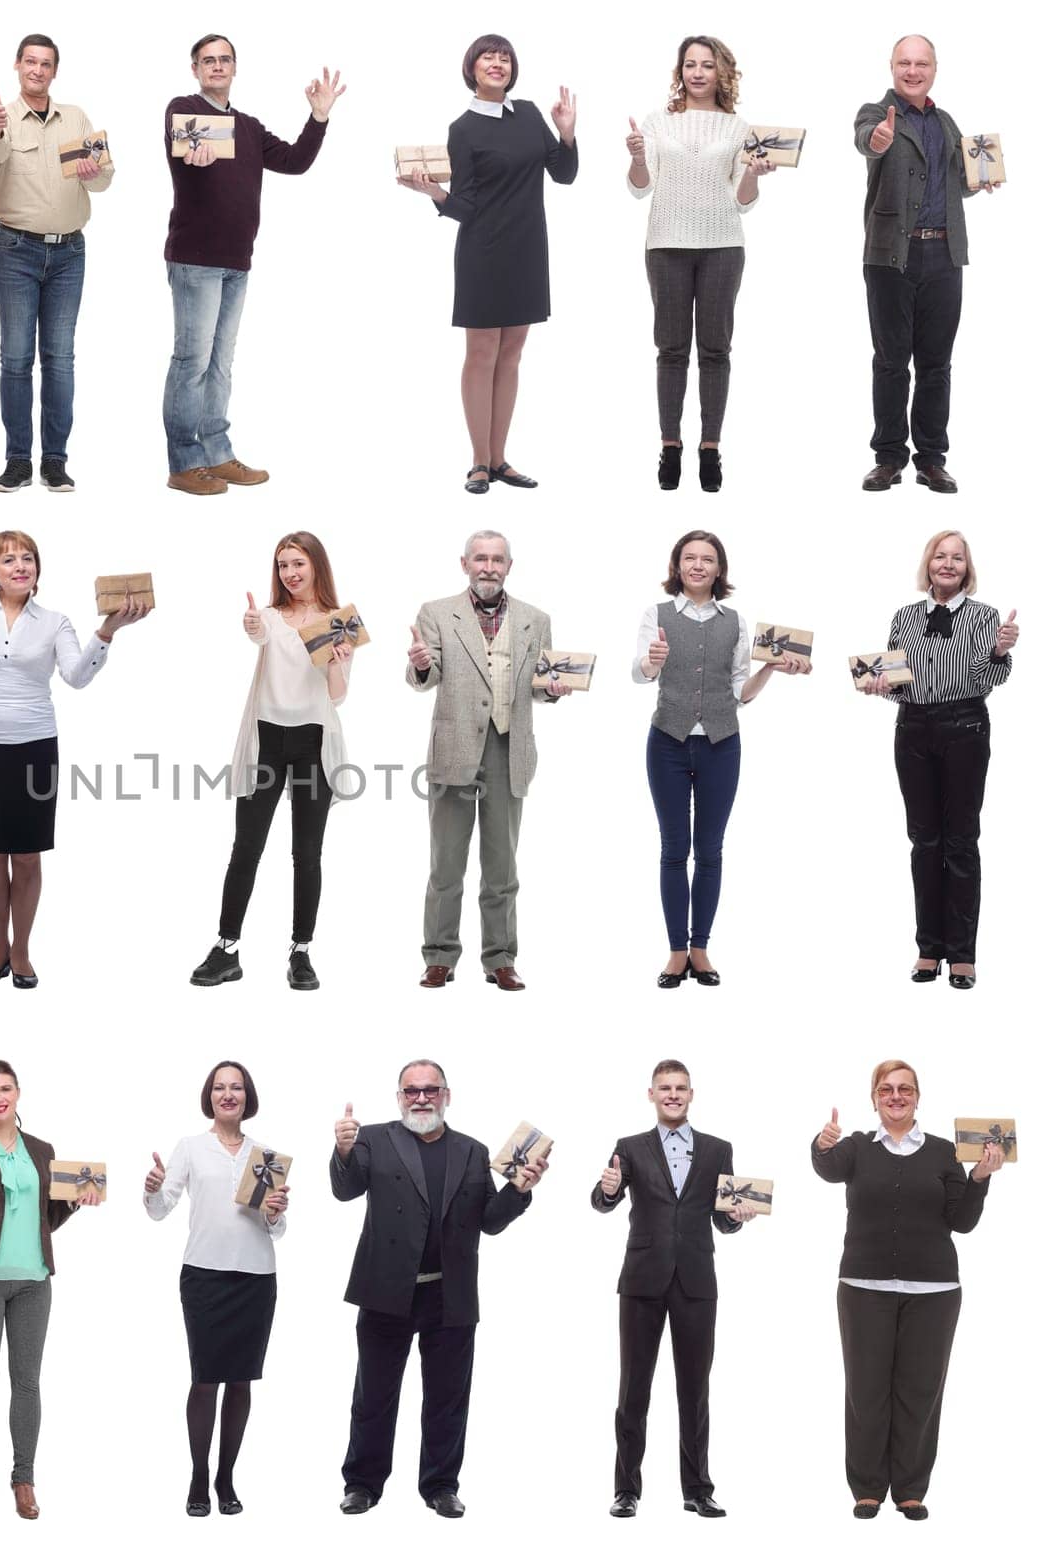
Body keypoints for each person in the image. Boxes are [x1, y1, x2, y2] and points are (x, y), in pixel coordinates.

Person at [0, 531, 148, 987]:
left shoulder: (55, 622)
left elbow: (75, 677)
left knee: (27, 855)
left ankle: (22, 951)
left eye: (28, 559)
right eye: (9, 560)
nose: (20, 566)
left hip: (34, 745)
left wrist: (106, 632)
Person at [331, 1059, 544, 1518]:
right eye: (412, 1091)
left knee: (448, 1399)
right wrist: (344, 1151)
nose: (421, 1098)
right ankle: (362, 1484)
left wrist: (519, 1190)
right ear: (399, 1098)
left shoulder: (472, 1151)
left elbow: (489, 1221)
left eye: (431, 1090)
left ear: (447, 1095)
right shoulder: (372, 1138)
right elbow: (346, 1191)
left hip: (450, 1295)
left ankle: (442, 1486)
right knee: (374, 1396)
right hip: (386, 1291)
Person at [812, 1060, 1002, 1520]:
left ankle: (911, 1489)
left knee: (920, 1391)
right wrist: (821, 1145)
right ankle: (868, 1488)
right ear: (874, 1098)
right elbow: (827, 1169)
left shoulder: (944, 1153)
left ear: (918, 1096)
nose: (896, 1096)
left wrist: (980, 1178)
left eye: (905, 1089)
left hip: (934, 1290)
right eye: (885, 1089)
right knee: (866, 1390)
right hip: (863, 1287)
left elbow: (962, 1222)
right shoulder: (856, 1147)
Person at [162, 35, 345, 494]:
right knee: (192, 361)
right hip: (195, 260)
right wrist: (192, 153)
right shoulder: (182, 109)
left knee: (221, 363)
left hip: (236, 261)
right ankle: (185, 464)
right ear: (195, 69)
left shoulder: (247, 126)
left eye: (224, 60)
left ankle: (218, 455)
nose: (217, 67)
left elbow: (294, 161)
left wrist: (318, 117)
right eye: (208, 61)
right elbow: (183, 146)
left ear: (235, 68)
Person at [397, 34, 576, 493]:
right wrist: (435, 193)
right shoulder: (463, 129)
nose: (497, 63)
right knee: (481, 355)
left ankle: (501, 459)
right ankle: (479, 461)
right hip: (483, 251)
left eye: (504, 57)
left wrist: (567, 132)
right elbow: (466, 206)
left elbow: (564, 173)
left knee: (512, 355)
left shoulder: (532, 114)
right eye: (487, 57)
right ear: (471, 69)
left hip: (528, 249)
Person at [634, 529, 809, 987]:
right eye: (689, 558)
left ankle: (700, 949)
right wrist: (653, 661)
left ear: (719, 568)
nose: (697, 565)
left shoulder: (735, 621)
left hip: (721, 744)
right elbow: (639, 673)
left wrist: (769, 668)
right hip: (667, 742)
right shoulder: (657, 614)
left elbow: (740, 693)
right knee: (674, 850)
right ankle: (676, 953)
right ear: (677, 566)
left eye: (706, 559)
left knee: (709, 851)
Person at [190, 531, 356, 992]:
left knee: (307, 853)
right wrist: (251, 624)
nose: (290, 572)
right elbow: (258, 633)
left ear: (316, 566)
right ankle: (226, 948)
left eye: (298, 563)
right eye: (283, 564)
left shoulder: (337, 622)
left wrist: (339, 661)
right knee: (246, 848)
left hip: (313, 744)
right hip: (266, 740)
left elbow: (337, 697)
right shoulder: (268, 617)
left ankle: (301, 952)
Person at [591, 1059, 754, 1520]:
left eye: (680, 1088)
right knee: (633, 1390)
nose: (673, 1094)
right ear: (651, 1095)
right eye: (665, 1088)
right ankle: (626, 1489)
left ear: (691, 1094)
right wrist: (606, 1189)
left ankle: (698, 1489)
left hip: (697, 1280)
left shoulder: (718, 1149)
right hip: (642, 1279)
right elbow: (602, 1201)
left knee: (695, 1390)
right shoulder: (630, 1147)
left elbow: (724, 1218)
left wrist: (736, 1218)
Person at [855, 530, 1017, 988]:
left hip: (965, 726)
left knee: (961, 840)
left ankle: (962, 954)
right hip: (913, 729)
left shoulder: (986, 616)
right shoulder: (905, 616)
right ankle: (929, 948)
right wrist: (880, 686)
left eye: (957, 559)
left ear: (968, 568)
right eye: (940, 557)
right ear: (928, 564)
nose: (948, 565)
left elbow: (985, 679)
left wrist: (1000, 651)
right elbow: (898, 681)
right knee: (923, 841)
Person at [408, 529, 569, 991]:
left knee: (502, 867)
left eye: (498, 560)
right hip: (454, 750)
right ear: (464, 564)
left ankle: (500, 958)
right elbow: (425, 674)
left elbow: (542, 682)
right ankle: (439, 956)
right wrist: (421, 661)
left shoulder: (535, 620)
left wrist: (553, 689)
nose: (489, 567)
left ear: (509, 567)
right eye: (480, 558)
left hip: (508, 750)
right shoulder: (436, 613)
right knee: (446, 865)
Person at [0, 1060, 100, 1520]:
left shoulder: (42, 1149)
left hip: (33, 1281)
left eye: (4, 1087)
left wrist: (71, 1202)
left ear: (17, 1092)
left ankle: (24, 1480)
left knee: (27, 1383)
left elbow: (46, 1219)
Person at [144, 1061, 290, 1517]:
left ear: (248, 1096)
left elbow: (277, 1228)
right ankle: (198, 1475)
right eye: (220, 1087)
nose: (229, 1094)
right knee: (205, 1379)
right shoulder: (190, 1148)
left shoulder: (265, 1155)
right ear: (209, 1095)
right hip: (204, 1276)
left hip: (255, 1277)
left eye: (237, 1088)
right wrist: (151, 1188)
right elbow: (160, 1209)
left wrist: (276, 1208)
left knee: (242, 1380)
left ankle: (227, 1477)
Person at [626, 36, 772, 492]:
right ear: (680, 71)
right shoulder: (656, 122)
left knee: (715, 350)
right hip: (666, 245)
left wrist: (752, 172)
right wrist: (635, 157)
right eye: (689, 64)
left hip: (722, 246)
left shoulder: (738, 127)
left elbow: (743, 201)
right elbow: (639, 187)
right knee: (671, 349)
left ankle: (710, 448)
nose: (697, 73)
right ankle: (671, 446)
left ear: (721, 72)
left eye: (707, 65)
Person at [856, 35, 995, 495]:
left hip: (945, 255)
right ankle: (889, 458)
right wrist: (879, 139)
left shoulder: (947, 122)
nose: (912, 71)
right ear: (891, 67)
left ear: (934, 69)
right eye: (904, 63)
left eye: (921, 64)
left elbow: (957, 183)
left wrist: (981, 180)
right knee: (891, 363)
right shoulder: (875, 115)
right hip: (890, 256)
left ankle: (931, 460)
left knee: (937, 365)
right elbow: (867, 143)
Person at [0, 34, 113, 493]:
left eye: (46, 64)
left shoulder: (75, 118)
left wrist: (96, 173)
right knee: (15, 358)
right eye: (30, 62)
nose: (37, 70)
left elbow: (103, 180)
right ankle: (18, 461)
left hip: (69, 253)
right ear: (17, 65)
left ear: (55, 71)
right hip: (16, 250)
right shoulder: (4, 117)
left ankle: (55, 461)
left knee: (60, 359)